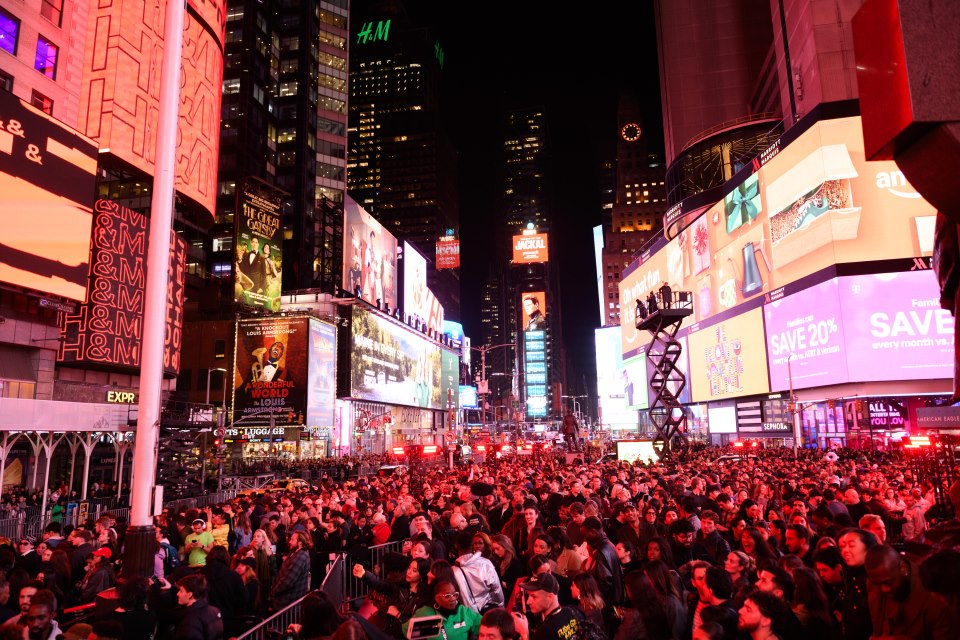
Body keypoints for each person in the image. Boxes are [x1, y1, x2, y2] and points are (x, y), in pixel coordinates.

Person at [864, 544, 952, 640]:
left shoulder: (935, 596)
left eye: (888, 582)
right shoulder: (876, 580)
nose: (883, 589)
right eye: (878, 584)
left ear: (903, 569)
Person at [405, 580, 481, 640]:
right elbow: (405, 631)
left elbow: (487, 627)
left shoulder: (464, 612)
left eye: (455, 595)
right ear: (436, 598)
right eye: (447, 596)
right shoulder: (425, 613)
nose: (453, 599)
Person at [452, 531, 504, 613]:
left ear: (456, 546)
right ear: (472, 544)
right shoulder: (486, 563)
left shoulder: (453, 571)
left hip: (469, 616)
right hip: (488, 611)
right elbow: (497, 589)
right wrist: (500, 607)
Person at [519, 574, 580, 640]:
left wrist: (524, 634)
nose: (528, 602)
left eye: (534, 596)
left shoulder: (544, 633)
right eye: (528, 595)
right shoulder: (573, 612)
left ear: (550, 597)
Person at [580, 516, 623, 605]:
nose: (584, 539)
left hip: (607, 603)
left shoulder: (601, 552)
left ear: (593, 531)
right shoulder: (608, 545)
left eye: (585, 535)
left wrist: (592, 598)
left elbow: (604, 583)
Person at [174, 574, 224, 640]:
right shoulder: (215, 610)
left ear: (190, 595)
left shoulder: (190, 620)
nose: (177, 594)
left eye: (181, 591)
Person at [271, 531, 311, 610]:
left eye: (292, 540)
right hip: (286, 600)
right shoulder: (294, 552)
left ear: (300, 542)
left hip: (289, 602)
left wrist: (273, 592)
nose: (289, 542)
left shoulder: (301, 556)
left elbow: (287, 581)